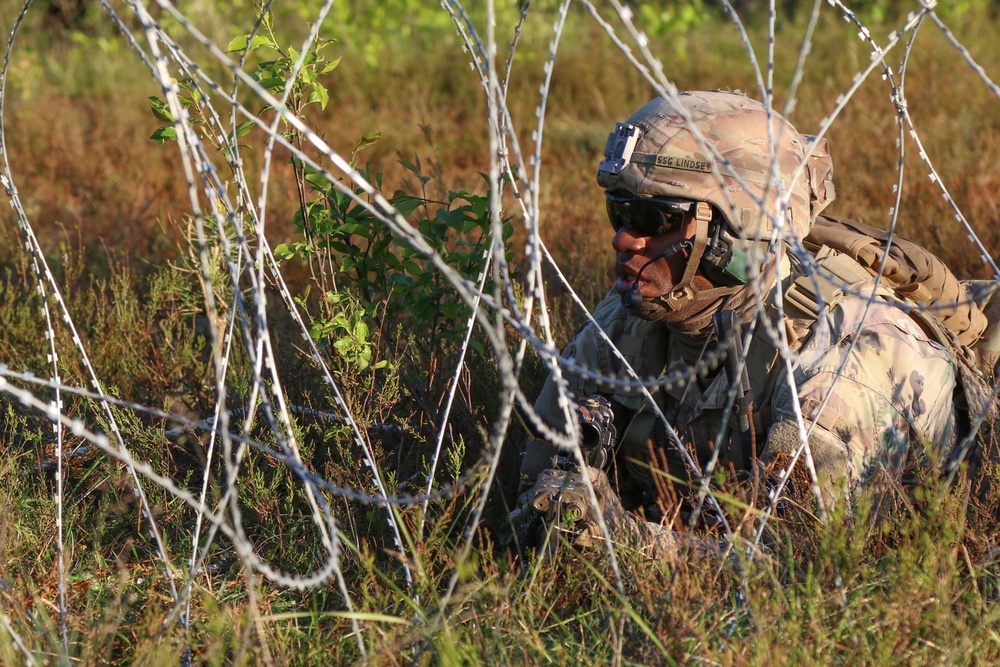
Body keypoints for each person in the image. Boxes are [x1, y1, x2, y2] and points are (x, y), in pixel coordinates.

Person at [508, 90, 998, 557]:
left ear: (734, 233)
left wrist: (625, 543)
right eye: (619, 212)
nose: (625, 241)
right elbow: (533, 494)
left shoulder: (840, 361)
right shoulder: (627, 326)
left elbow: (792, 562)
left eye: (654, 219)